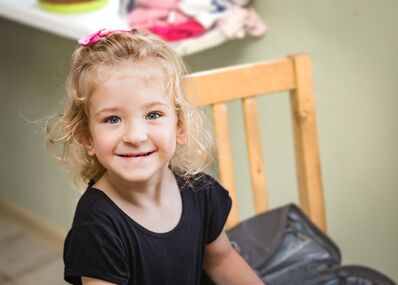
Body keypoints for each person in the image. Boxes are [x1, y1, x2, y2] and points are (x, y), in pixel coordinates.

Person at [48, 28, 263, 285]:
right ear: (88, 138)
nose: (136, 136)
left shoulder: (199, 191)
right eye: (112, 119)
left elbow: (221, 260)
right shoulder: (97, 226)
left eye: (153, 115)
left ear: (179, 127)